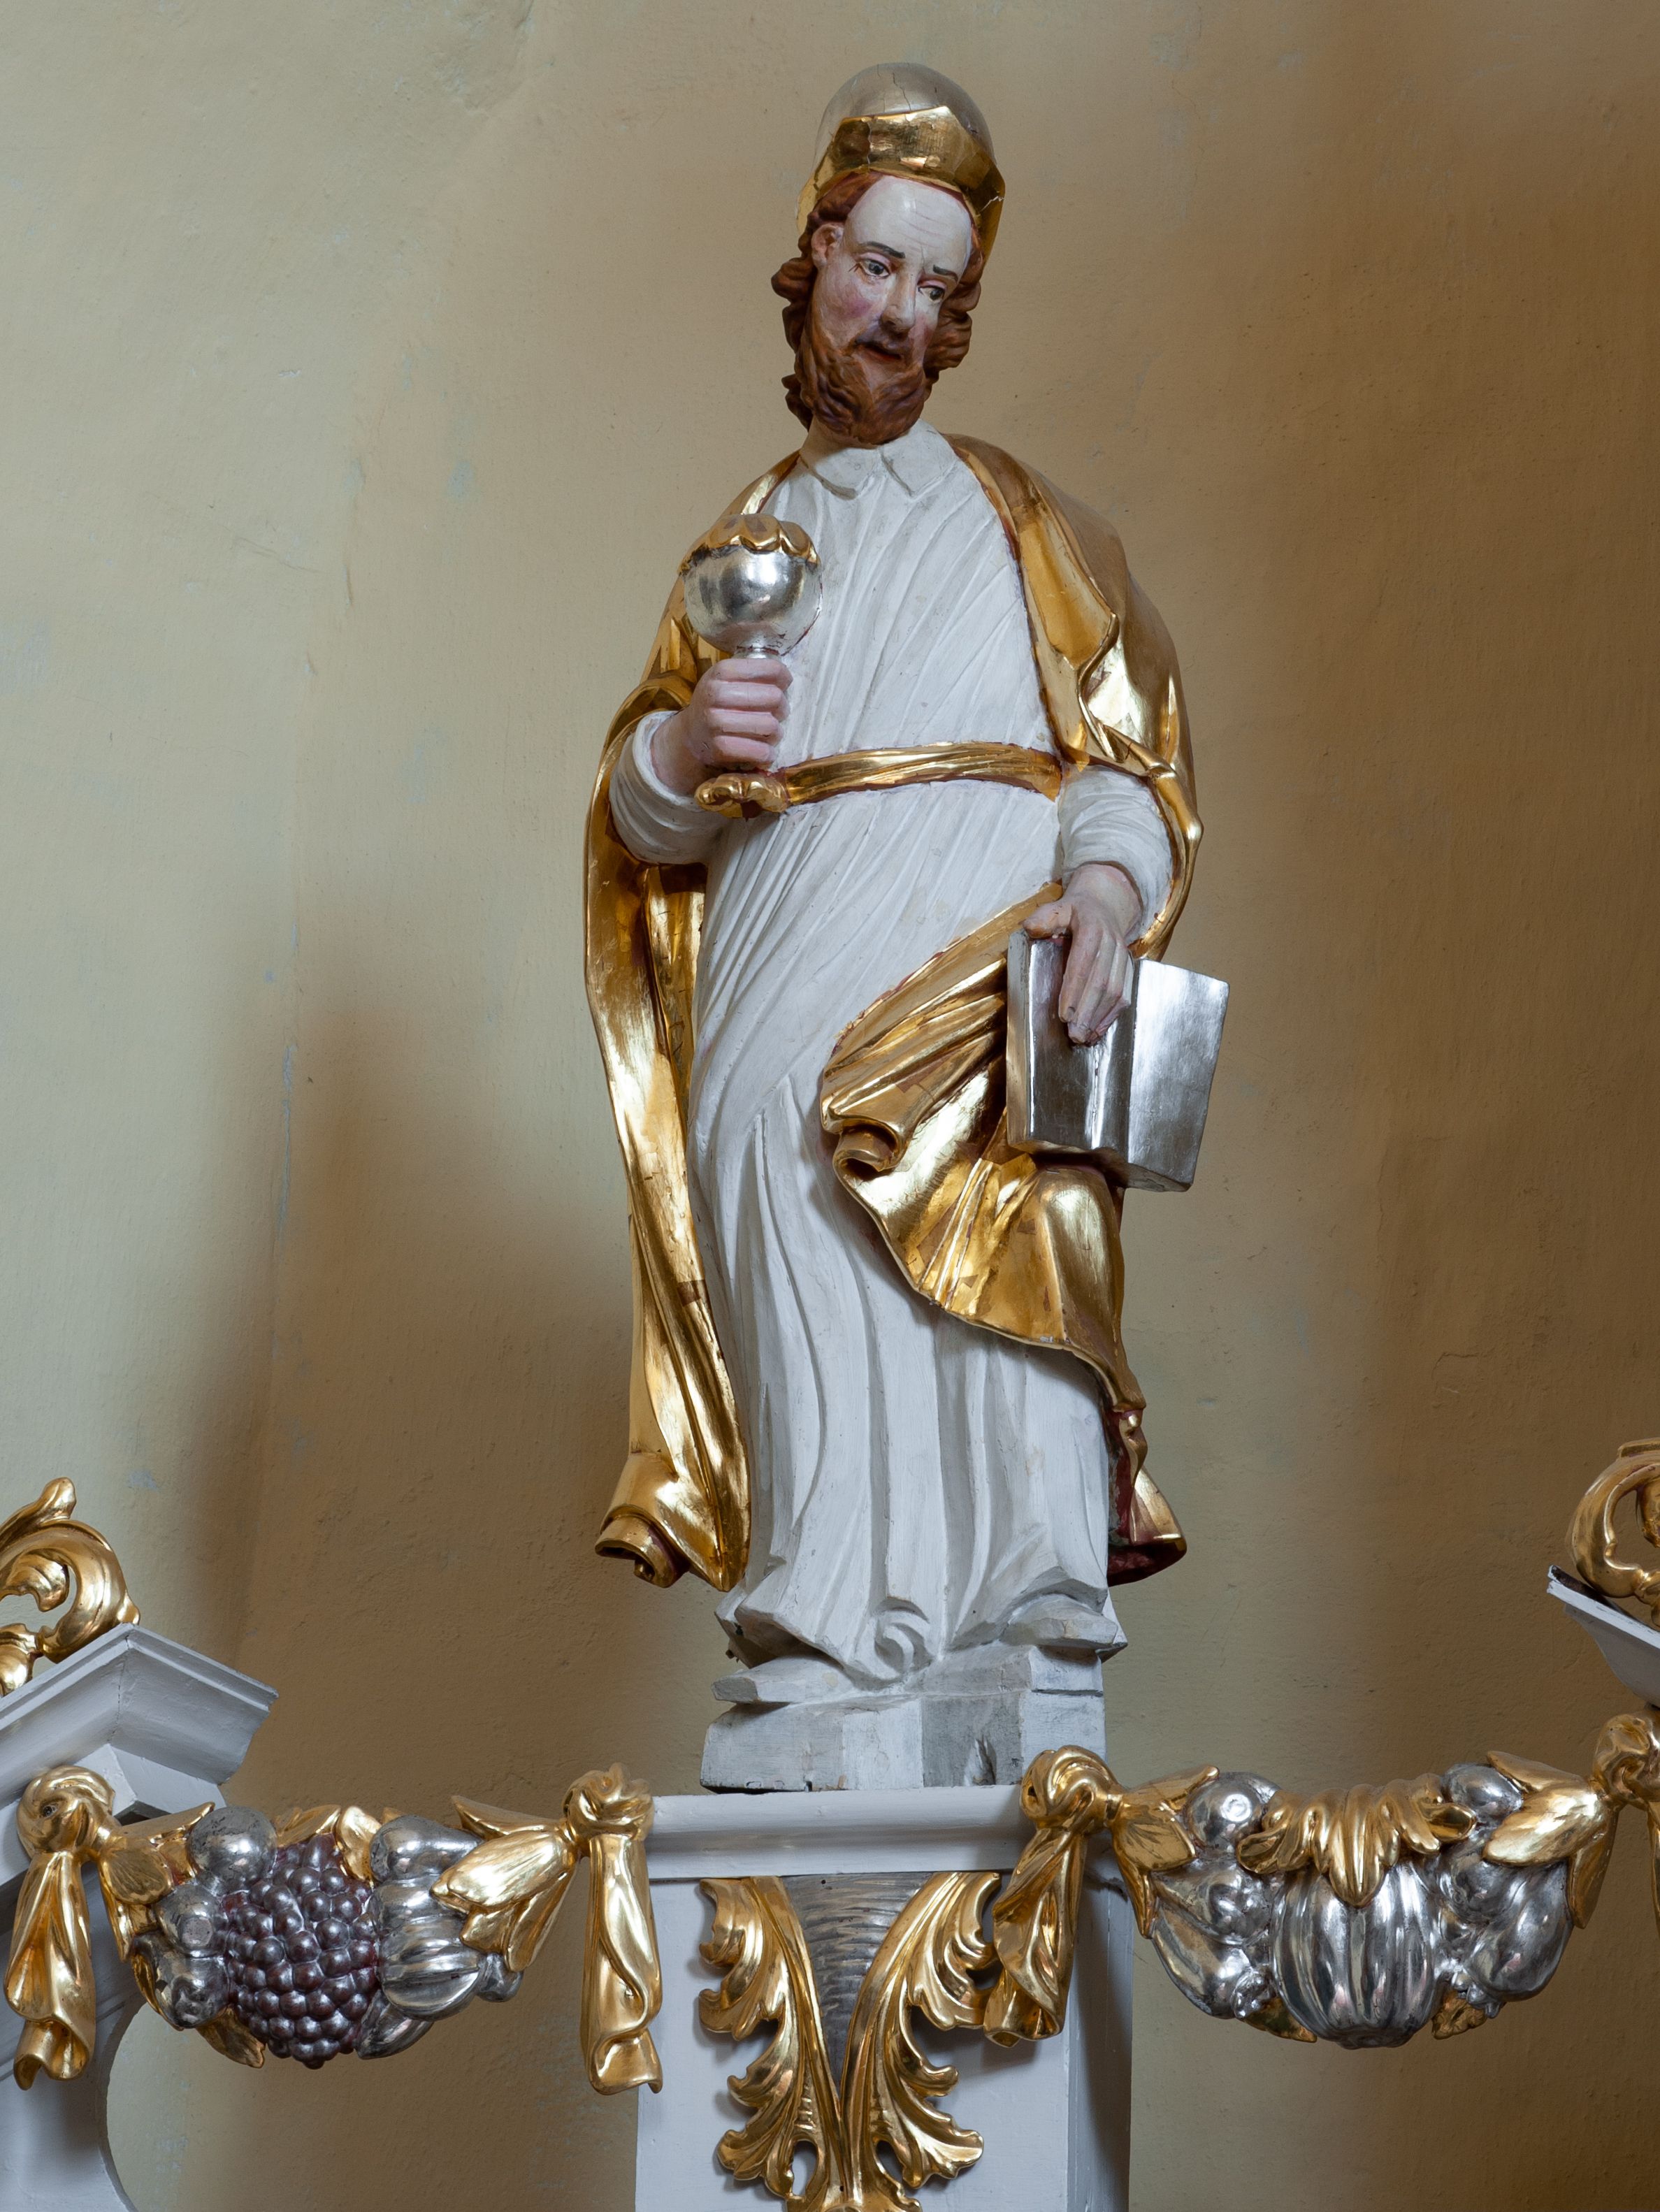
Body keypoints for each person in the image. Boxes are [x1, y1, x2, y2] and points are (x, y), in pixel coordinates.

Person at [585, 66, 1201, 1766]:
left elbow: (1128, 761)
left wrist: (1105, 885)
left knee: (998, 1240)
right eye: (877, 269)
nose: (902, 316)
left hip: (984, 957)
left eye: (940, 288)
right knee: (794, 1221)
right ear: (816, 259)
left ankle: (1026, 1611)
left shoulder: (1037, 526)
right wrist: (679, 749)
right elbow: (640, 814)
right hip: (786, 938)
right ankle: (823, 1627)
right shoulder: (741, 548)